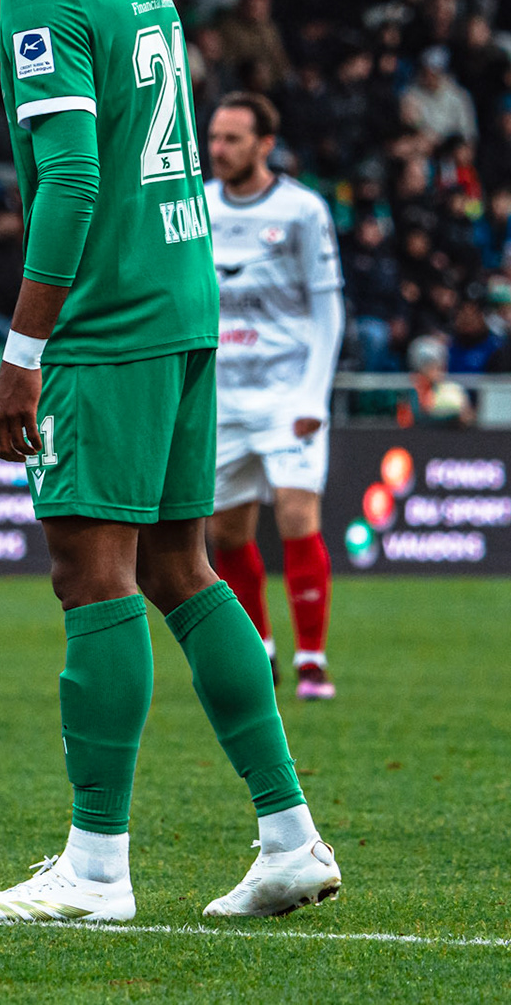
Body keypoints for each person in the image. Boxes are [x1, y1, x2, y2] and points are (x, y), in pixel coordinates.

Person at [0, 0, 338, 925]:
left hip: (108, 322)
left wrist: (23, 349)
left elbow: (69, 178)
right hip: (184, 300)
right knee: (183, 567)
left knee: (92, 571)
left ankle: (96, 868)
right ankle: (289, 834)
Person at [201, 93, 345, 700]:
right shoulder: (196, 206)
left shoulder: (302, 210)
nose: (218, 150)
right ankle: (260, 648)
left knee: (294, 512)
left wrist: (315, 395)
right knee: (226, 534)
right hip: (220, 397)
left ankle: (311, 660)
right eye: (213, 138)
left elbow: (328, 305)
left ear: (265, 145)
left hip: (289, 394)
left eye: (233, 139)